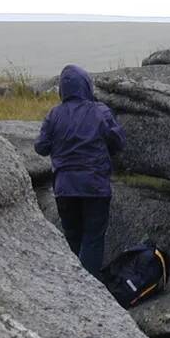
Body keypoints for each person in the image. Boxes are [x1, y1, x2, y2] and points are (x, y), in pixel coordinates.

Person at [34, 64, 125, 278]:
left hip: (65, 188)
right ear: (86, 86)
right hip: (95, 187)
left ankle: (74, 288)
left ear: (62, 90)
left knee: (72, 237)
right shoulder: (100, 111)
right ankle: (91, 289)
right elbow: (118, 141)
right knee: (93, 238)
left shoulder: (54, 114)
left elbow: (40, 147)